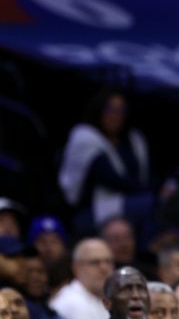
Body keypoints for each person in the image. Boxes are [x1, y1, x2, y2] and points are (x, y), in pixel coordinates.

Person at [58, 89, 152, 238]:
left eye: (121, 110)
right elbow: (111, 179)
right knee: (150, 204)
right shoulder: (85, 137)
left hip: (130, 202)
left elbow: (145, 174)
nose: (116, 115)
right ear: (99, 109)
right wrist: (152, 190)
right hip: (92, 210)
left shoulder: (133, 139)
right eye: (111, 109)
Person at [49, 238, 113, 319]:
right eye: (95, 262)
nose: (104, 268)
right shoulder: (70, 303)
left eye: (108, 261)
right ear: (76, 268)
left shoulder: (112, 300)